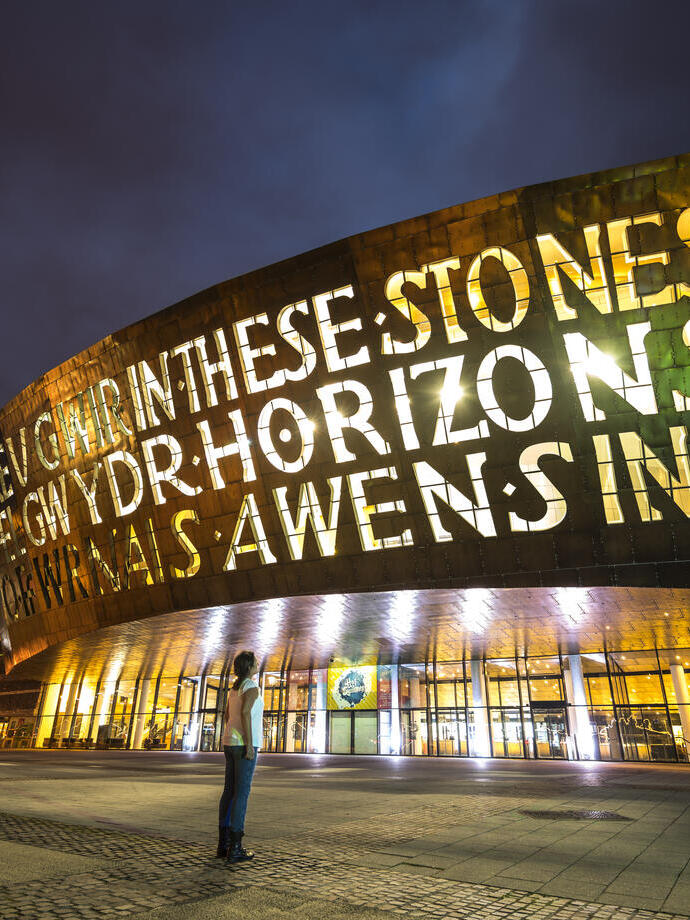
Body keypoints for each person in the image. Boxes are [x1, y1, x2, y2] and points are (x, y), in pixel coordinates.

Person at [217, 650, 263, 862]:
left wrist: (232, 734)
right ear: (249, 667)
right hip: (243, 744)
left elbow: (228, 715)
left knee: (229, 791)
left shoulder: (234, 688)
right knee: (241, 794)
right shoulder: (251, 686)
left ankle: (223, 844)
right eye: (255, 662)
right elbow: (245, 713)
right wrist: (249, 744)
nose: (258, 664)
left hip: (229, 742)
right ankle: (235, 848)